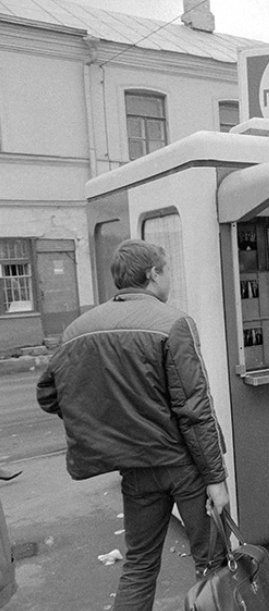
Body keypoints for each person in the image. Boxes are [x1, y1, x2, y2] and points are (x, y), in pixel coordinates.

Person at [36, 239, 230, 611]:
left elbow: (50, 397)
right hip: (184, 465)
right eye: (167, 270)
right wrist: (216, 478)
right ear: (153, 274)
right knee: (212, 564)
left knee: (139, 565)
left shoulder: (77, 330)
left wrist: (109, 419)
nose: (169, 278)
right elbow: (194, 410)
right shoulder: (173, 323)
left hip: (136, 470)